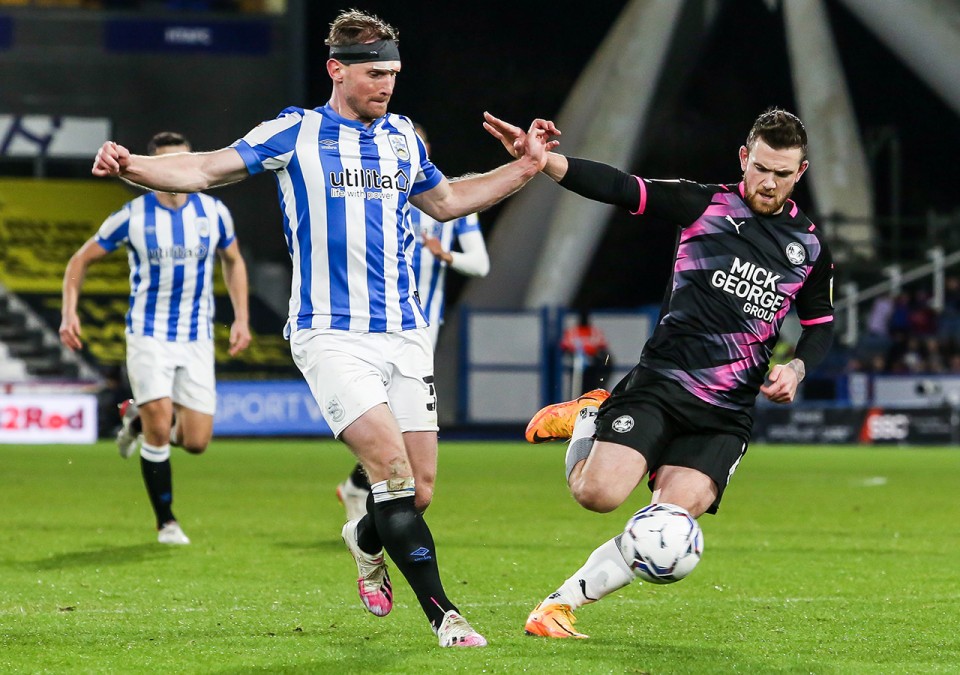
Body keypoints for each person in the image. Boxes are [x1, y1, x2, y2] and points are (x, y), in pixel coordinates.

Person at [89, 9, 557, 648]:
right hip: (330, 336)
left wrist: (528, 168)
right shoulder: (295, 131)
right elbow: (204, 169)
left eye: (393, 73)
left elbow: (447, 202)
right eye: (373, 74)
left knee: (415, 493)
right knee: (389, 469)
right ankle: (446, 616)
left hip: (402, 333)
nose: (386, 85)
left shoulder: (401, 140)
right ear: (337, 69)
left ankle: (363, 539)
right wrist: (132, 165)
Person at [485, 107, 834, 638]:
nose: (768, 182)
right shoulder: (705, 205)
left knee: (666, 534)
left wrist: (798, 367)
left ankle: (557, 606)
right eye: (761, 167)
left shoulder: (808, 247)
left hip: (725, 415)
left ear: (800, 172)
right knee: (595, 496)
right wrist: (545, 162)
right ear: (744, 158)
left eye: (782, 174)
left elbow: (821, 326)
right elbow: (621, 188)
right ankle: (590, 414)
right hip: (659, 387)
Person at [61, 131, 251, 546]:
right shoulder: (132, 215)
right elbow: (80, 260)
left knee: (197, 442)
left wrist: (241, 317)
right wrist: (68, 311)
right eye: (167, 165)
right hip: (148, 334)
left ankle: (134, 416)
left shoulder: (214, 212)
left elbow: (233, 261)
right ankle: (166, 522)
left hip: (197, 336)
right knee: (161, 431)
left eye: (184, 163)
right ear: (152, 169)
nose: (176, 173)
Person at [336, 122, 491, 523]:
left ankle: (358, 490)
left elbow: (481, 263)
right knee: (387, 418)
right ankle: (366, 495)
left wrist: (447, 256)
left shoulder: (445, 202)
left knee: (405, 422)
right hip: (369, 323)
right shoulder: (373, 194)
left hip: (421, 325)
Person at [559, 309, 613, 394]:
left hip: (594, 368)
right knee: (577, 388)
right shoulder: (572, 332)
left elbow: (603, 350)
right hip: (576, 366)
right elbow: (565, 349)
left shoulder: (595, 332)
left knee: (592, 386)